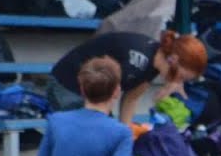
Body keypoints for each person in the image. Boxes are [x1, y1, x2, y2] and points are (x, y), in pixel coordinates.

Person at [47, 30, 207, 121]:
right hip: (67, 85)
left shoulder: (153, 63)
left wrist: (127, 135)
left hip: (93, 94)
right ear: (174, 60)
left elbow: (131, 98)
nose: (179, 82)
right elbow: (104, 95)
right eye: (181, 77)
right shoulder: (137, 59)